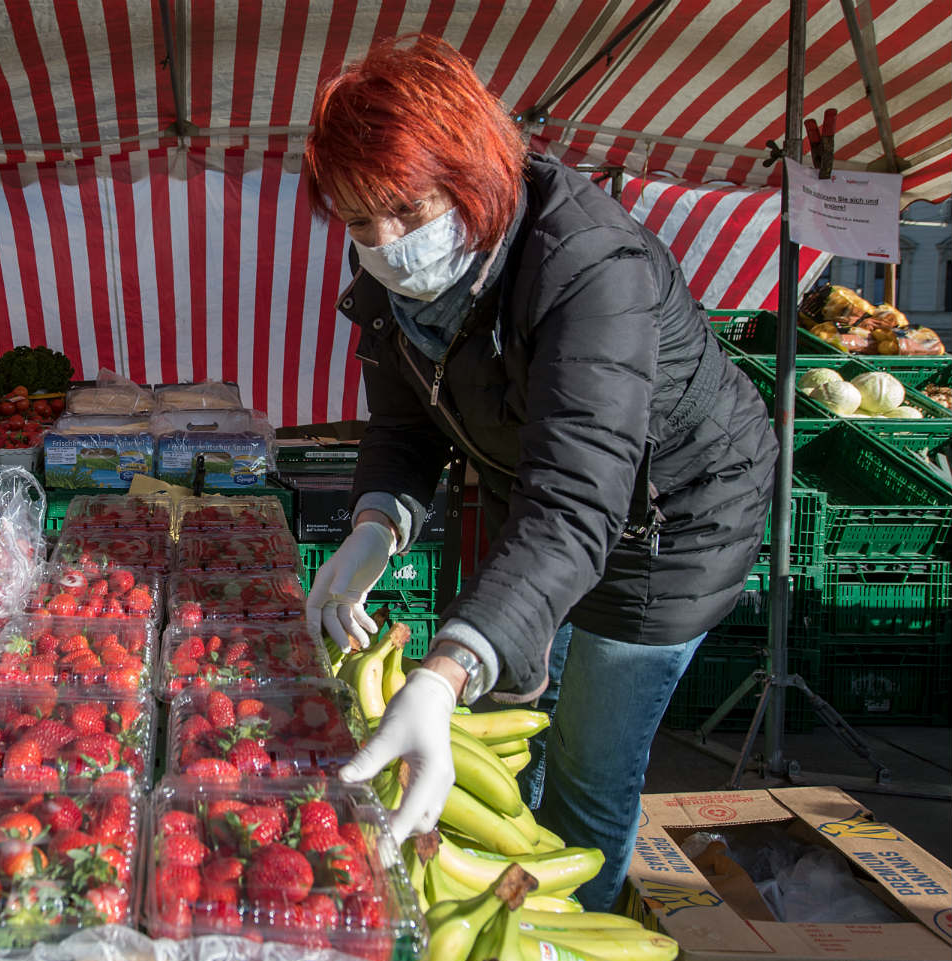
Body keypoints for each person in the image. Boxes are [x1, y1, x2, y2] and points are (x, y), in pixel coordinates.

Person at [301, 35, 777, 911]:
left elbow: (575, 503)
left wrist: (442, 674)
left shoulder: (591, 269)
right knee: (519, 707)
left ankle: (572, 923)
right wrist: (373, 527)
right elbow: (407, 424)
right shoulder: (392, 275)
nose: (385, 243)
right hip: (550, 501)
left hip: (675, 525)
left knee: (591, 763)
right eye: (359, 220)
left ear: (470, 174)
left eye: (407, 209)